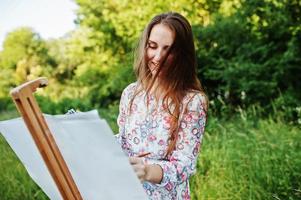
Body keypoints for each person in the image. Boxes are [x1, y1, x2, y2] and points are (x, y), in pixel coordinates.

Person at [116, 12, 208, 200]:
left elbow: (185, 166)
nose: (158, 57)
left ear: (182, 54)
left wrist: (148, 171)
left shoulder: (192, 101)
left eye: (169, 50)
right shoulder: (131, 93)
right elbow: (123, 143)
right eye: (153, 46)